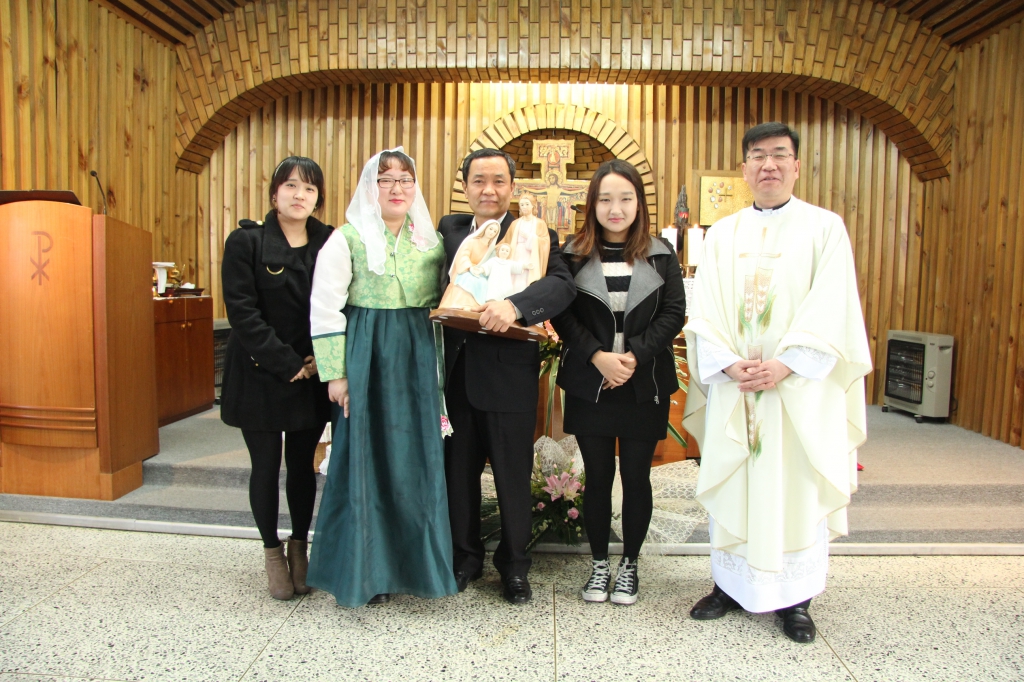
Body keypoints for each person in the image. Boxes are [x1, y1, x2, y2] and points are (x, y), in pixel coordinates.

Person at [683, 122, 871, 642]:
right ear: (743, 168)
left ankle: (797, 599)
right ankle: (728, 586)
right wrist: (726, 363)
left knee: (796, 485)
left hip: (797, 393)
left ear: (796, 165)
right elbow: (706, 309)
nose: (768, 165)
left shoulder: (824, 228)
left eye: (779, 156)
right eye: (758, 156)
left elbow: (833, 307)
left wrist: (786, 363)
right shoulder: (722, 233)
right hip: (739, 387)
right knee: (739, 477)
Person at [306, 148, 457, 608]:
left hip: (417, 353)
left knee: (415, 459)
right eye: (385, 179)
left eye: (405, 179)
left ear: (416, 187)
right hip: (367, 355)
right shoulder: (346, 238)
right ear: (370, 188)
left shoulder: (432, 241)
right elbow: (325, 308)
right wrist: (336, 375)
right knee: (365, 457)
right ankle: (364, 569)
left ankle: (416, 568)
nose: (396, 188)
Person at [438, 148, 576, 604]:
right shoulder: (448, 231)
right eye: (479, 181)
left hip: (509, 376)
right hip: (453, 377)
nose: (489, 189)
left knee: (513, 476)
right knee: (457, 474)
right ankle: (464, 558)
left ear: (513, 188)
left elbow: (561, 286)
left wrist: (515, 306)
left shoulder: (534, 233)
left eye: (499, 181)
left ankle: (515, 567)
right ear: (465, 187)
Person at [550, 159, 686, 606]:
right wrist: (598, 357)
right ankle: (599, 565)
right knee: (598, 476)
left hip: (642, 380)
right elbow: (563, 313)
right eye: (605, 198)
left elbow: (673, 314)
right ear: (592, 204)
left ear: (638, 204)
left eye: (625, 198)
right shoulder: (571, 254)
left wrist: (633, 356)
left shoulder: (662, 253)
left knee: (636, 476)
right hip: (593, 381)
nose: (615, 208)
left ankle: (629, 565)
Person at [220, 156, 333, 601]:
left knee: (303, 468)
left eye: (308, 188)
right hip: (259, 371)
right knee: (265, 466)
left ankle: (299, 546)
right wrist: (287, 363)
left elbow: (336, 302)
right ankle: (271, 551)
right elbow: (242, 314)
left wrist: (316, 360)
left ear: (318, 198)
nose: (298, 194)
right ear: (274, 194)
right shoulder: (245, 242)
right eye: (290, 186)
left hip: (312, 369)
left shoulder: (329, 242)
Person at [506, 193, 547, 290]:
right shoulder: (515, 223)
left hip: (531, 254)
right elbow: (506, 241)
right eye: (522, 204)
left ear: (533, 206)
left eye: (527, 204)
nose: (524, 207)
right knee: (515, 278)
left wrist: (530, 237)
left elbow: (545, 242)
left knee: (526, 277)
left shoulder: (540, 223)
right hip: (517, 253)